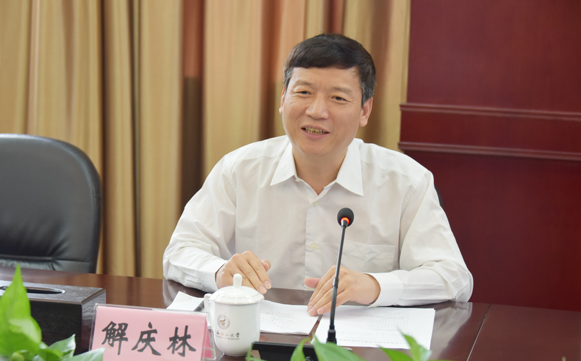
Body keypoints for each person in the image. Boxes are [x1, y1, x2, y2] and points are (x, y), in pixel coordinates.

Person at [163, 33, 472, 316]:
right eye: (304, 92)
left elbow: (453, 277)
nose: (316, 111)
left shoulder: (406, 181)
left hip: (358, 350)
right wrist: (220, 272)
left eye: (338, 98)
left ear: (365, 110)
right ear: (283, 100)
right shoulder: (239, 170)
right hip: (256, 342)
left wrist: (374, 285)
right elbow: (180, 252)